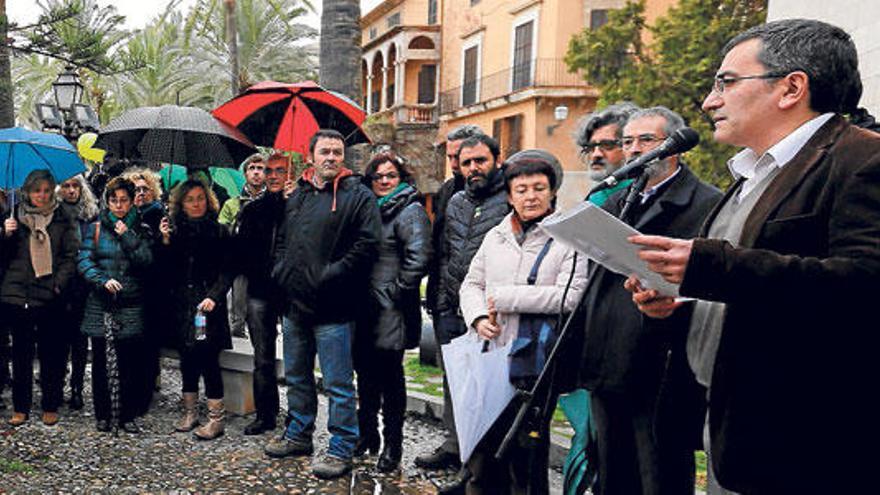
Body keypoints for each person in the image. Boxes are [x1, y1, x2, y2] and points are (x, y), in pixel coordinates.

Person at [625, 19, 880, 493]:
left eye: (726, 82)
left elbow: (865, 285)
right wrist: (679, 306)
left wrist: (709, 266)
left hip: (807, 446)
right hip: (730, 429)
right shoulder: (751, 174)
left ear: (791, 88)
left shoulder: (863, 162)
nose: (709, 101)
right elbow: (747, 298)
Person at [577, 107, 721, 495]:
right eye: (627, 142)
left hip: (660, 360)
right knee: (611, 470)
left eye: (646, 140)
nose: (634, 149)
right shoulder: (618, 198)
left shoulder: (708, 203)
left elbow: (712, 284)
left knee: (659, 474)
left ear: (674, 147)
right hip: (608, 356)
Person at [458, 152, 588, 493]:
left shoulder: (569, 238)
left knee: (526, 452)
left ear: (552, 192)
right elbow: (471, 284)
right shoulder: (495, 236)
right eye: (521, 189)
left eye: (539, 188)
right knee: (483, 450)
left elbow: (570, 297)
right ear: (510, 195)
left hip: (534, 362)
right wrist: (478, 316)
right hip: (490, 356)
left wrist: (503, 297)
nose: (530, 196)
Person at [264, 129, 381, 480]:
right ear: (311, 155)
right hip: (294, 305)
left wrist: (331, 274)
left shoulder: (358, 195)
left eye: (337, 152)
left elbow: (368, 244)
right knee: (297, 376)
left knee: (338, 384)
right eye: (325, 151)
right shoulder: (297, 194)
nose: (331, 157)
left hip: (336, 307)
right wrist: (281, 270)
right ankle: (299, 434)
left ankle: (341, 447)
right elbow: (284, 239)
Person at [427, 133, 511, 493]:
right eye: (466, 163)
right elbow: (444, 251)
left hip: (491, 315)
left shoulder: (511, 197)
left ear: (496, 159)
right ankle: (458, 452)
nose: (474, 168)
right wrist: (442, 298)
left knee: (487, 394)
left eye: (480, 160)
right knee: (457, 389)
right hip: (451, 307)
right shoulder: (457, 199)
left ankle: (478, 473)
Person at [354, 152, 432, 472]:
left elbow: (419, 258)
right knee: (365, 376)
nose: (384, 181)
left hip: (391, 310)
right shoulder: (369, 210)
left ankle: (393, 445)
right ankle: (367, 435)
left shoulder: (410, 210)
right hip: (364, 307)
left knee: (390, 380)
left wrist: (395, 292)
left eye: (391, 176)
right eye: (378, 176)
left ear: (401, 178)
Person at [419, 124, 483, 474]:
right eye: (453, 157)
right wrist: (435, 293)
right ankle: (453, 444)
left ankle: (476, 457)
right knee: (451, 379)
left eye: (464, 156)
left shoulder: (497, 193)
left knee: (478, 383)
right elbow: (439, 245)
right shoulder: (446, 191)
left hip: (480, 306)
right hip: (445, 300)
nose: (459, 163)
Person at [1, 170, 79, 427]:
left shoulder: (62, 217)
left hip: (49, 294)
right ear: (28, 192)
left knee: (51, 353)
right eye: (37, 191)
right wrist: (5, 233)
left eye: (46, 190)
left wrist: (58, 284)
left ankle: (50, 403)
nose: (42, 196)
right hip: (17, 293)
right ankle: (21, 406)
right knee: (21, 354)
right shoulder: (14, 217)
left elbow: (70, 255)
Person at [158, 179, 233, 441]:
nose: (196, 203)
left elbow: (227, 271)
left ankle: (216, 418)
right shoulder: (175, 231)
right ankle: (190, 412)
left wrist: (214, 297)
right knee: (187, 358)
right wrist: (165, 240)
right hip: (182, 306)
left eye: (200, 198)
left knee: (208, 358)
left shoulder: (220, 232)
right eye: (190, 199)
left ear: (208, 200)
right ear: (181, 203)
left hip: (207, 308)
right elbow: (165, 270)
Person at [77, 177, 153, 433]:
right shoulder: (95, 228)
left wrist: (128, 236)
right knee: (101, 361)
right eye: (114, 200)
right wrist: (102, 280)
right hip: (101, 303)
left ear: (132, 202)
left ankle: (127, 414)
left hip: (131, 304)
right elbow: (85, 261)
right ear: (107, 202)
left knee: (130, 362)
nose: (119, 205)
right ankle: (103, 414)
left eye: (124, 200)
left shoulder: (142, 228)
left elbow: (146, 261)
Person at [232, 152, 290, 435]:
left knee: (297, 358)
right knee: (262, 357)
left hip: (292, 292)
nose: (274, 175)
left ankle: (299, 416)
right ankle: (266, 413)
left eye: (280, 170)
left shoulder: (298, 207)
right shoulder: (253, 210)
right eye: (269, 171)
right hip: (260, 290)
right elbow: (241, 253)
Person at [122, 166, 165, 415]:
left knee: (147, 346)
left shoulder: (158, 215)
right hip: (128, 288)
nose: (140, 193)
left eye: (145, 189)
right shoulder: (124, 216)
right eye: (135, 189)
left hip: (150, 290)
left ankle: (143, 396)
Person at [57, 174, 100, 411]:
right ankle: (57, 381)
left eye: (75, 186)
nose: (72, 190)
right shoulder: (54, 214)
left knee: (80, 340)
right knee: (60, 337)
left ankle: (76, 387)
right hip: (61, 284)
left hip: (84, 284)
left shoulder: (91, 215)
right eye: (67, 186)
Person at [220, 154, 266, 340]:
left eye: (260, 168)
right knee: (238, 300)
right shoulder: (232, 203)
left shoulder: (273, 201)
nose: (256, 172)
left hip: (265, 261)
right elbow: (221, 231)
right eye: (252, 168)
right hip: (240, 260)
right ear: (245, 173)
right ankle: (237, 327)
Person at [575, 102, 639, 206]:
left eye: (607, 145)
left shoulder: (642, 193)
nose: (596, 154)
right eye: (591, 147)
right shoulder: (595, 196)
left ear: (629, 146)